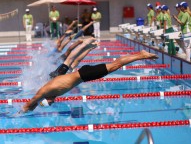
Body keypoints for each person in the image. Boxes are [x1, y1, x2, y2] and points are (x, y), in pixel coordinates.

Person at [18, 50, 158, 113]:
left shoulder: (46, 91)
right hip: (84, 74)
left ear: (46, 99)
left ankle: (141, 55)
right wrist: (32, 107)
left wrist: (23, 110)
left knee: (114, 66)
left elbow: (32, 100)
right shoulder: (50, 92)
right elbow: (35, 102)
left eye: (49, 103)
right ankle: (140, 55)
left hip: (84, 74)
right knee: (114, 67)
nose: (52, 102)